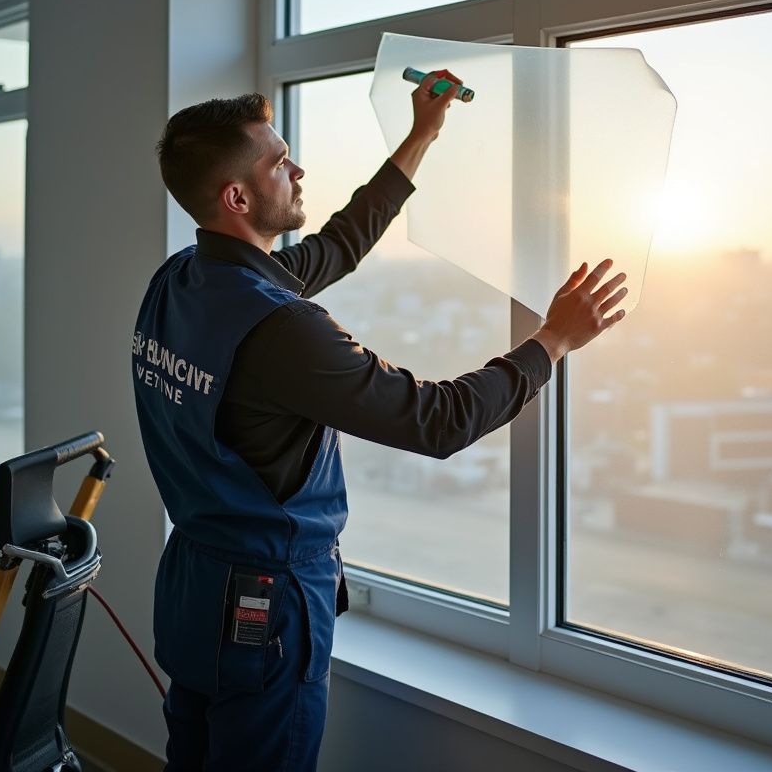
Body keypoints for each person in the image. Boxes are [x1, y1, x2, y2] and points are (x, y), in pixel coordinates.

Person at [132, 71, 629, 771]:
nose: (298, 170)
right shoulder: (281, 329)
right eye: (280, 162)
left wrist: (421, 135)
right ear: (237, 197)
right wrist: (552, 342)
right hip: (264, 604)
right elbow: (438, 420)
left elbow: (338, 245)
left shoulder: (181, 280)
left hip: (193, 585)